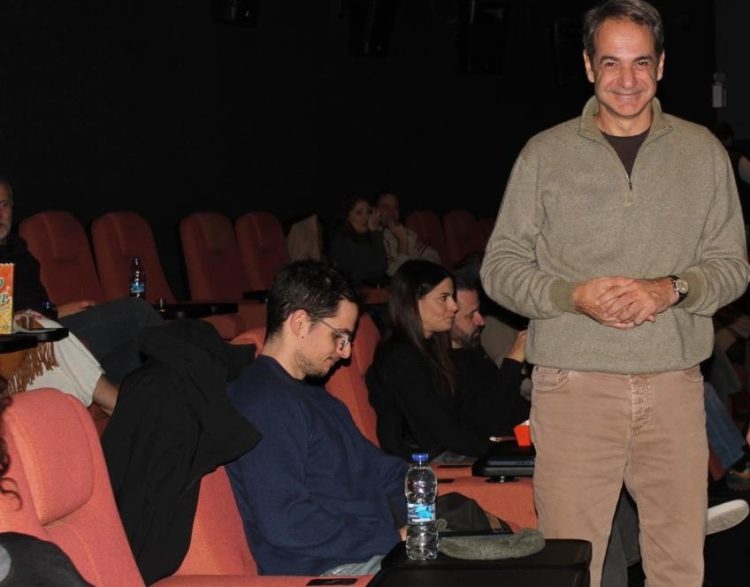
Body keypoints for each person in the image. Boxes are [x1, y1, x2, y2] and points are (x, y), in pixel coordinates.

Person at [478, 1, 750, 585]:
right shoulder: (544, 155)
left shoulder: (702, 152)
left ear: (661, 65)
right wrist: (570, 295)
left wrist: (672, 289)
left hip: (674, 385)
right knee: (575, 565)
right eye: (611, 62)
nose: (627, 79)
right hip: (573, 387)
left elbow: (733, 267)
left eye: (641, 62)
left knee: (679, 566)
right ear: (587, 65)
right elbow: (499, 268)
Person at [226, 260, 406, 576]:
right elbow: (287, 522)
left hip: (374, 553)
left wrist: (418, 515)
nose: (346, 352)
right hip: (331, 570)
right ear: (300, 322)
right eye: (340, 336)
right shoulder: (263, 401)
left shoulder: (314, 396)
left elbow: (382, 469)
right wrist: (390, 536)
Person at [0, 178, 164, 385]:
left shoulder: (19, 250)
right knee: (135, 312)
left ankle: (144, 398)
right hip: (23, 339)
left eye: (4, 205)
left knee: (133, 350)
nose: (0, 214)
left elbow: (35, 300)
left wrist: (54, 310)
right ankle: (192, 373)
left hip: (47, 325)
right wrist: (52, 313)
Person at [367, 260, 528, 460]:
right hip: (429, 463)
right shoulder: (401, 358)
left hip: (458, 450)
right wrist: (504, 451)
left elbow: (468, 419)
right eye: (443, 298)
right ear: (413, 302)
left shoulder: (432, 349)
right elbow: (446, 435)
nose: (453, 306)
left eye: (452, 297)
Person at [375, 192, 442, 275]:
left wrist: (420, 269)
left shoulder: (408, 233)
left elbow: (434, 256)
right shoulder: (377, 239)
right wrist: (402, 240)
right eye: (386, 207)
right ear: (375, 211)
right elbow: (399, 274)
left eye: (396, 208)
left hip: (425, 277)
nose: (392, 212)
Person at [328, 196, 388, 287]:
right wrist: (375, 232)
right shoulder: (341, 242)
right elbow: (379, 267)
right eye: (359, 213)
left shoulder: (367, 238)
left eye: (368, 212)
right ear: (347, 216)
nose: (366, 217)